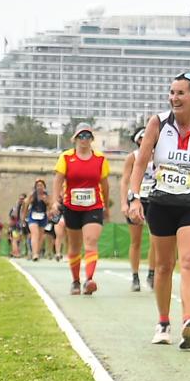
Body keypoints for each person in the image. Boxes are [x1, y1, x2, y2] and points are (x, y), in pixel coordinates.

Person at [125, 75, 190, 349]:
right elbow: (140, 164)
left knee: (189, 262)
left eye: (181, 93)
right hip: (161, 202)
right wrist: (135, 198)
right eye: (171, 92)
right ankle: (163, 322)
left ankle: (189, 321)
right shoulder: (158, 122)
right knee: (164, 265)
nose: (174, 98)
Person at [56, 124, 111, 295]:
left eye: (88, 136)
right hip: (72, 206)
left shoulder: (100, 159)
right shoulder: (66, 157)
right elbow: (58, 179)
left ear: (92, 139)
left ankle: (89, 280)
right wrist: (54, 200)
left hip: (93, 206)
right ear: (75, 139)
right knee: (74, 246)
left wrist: (106, 206)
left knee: (91, 241)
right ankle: (75, 281)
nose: (84, 139)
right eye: (81, 136)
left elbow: (105, 184)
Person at [126, 126, 152, 292]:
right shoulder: (132, 157)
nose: (145, 139)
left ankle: (152, 273)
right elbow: (124, 181)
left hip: (155, 200)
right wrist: (124, 202)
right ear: (137, 141)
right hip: (137, 200)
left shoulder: (159, 155)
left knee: (156, 241)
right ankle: (135, 276)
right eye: (142, 137)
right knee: (136, 241)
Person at [23, 180, 51, 260]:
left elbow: (50, 206)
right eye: (38, 185)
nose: (39, 187)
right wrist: (24, 217)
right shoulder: (32, 195)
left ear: (44, 187)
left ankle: (37, 252)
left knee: (40, 236)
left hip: (43, 216)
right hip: (33, 216)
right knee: (35, 234)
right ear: (35, 187)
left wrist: (46, 201)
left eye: (41, 185)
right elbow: (26, 204)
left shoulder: (46, 195)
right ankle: (35, 254)